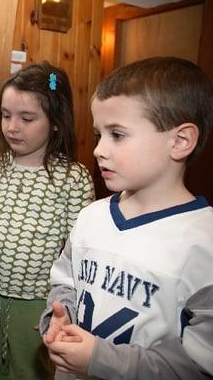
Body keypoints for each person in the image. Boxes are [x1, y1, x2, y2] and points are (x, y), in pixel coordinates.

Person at [40, 56, 213, 379]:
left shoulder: (204, 245)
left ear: (180, 141)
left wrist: (100, 359)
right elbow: (64, 282)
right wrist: (60, 318)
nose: (98, 149)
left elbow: (197, 365)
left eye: (117, 135)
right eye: (98, 134)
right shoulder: (91, 217)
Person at [0, 62, 95, 379]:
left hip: (38, 300)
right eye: (6, 116)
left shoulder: (73, 179)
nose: (12, 127)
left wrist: (64, 307)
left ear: (56, 122)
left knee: (29, 369)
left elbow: (79, 252)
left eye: (27, 118)